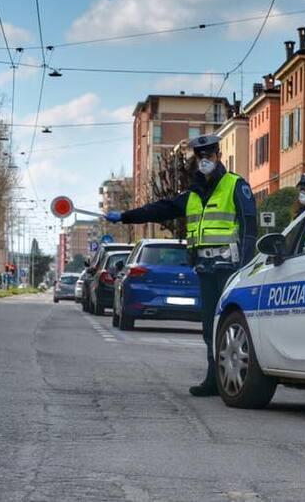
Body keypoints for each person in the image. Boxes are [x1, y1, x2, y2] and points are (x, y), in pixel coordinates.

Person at [105, 134, 257, 397]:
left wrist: (244, 267)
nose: (204, 161)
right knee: (210, 326)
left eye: (209, 156)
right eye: (200, 157)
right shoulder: (193, 194)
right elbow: (159, 209)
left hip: (228, 268)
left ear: (218, 156)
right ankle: (214, 378)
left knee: (231, 325)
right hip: (205, 269)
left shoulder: (236, 186)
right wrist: (126, 217)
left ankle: (238, 378)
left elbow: (249, 228)